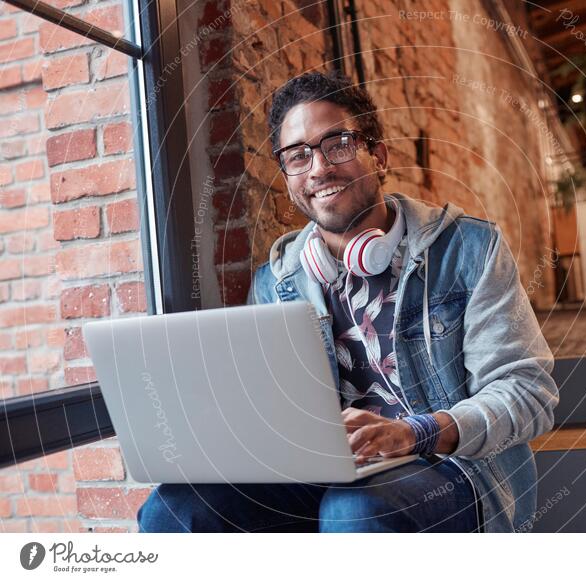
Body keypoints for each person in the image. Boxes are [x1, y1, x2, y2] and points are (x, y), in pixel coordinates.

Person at [137, 70, 559, 533]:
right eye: (297, 156)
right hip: (331, 473)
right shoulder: (276, 282)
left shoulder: (469, 249)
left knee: (352, 511)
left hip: (453, 467)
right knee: (174, 508)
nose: (318, 168)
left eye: (336, 144)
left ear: (378, 156)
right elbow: (274, 415)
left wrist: (415, 432)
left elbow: (527, 393)